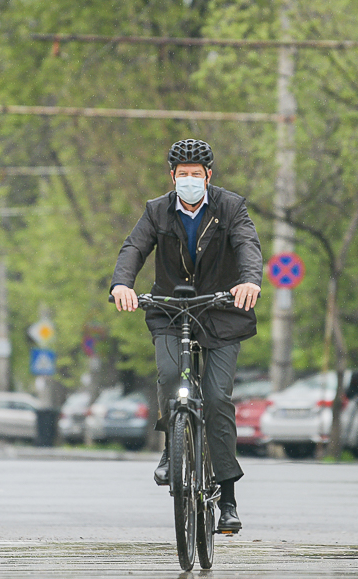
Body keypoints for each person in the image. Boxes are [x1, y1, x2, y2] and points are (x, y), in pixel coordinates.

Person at [110, 138, 262, 534]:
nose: (190, 180)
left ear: (209, 176)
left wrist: (249, 282)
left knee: (216, 398)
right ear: (172, 176)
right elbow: (133, 249)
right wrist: (121, 285)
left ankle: (227, 498)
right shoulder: (156, 210)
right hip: (170, 309)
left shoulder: (231, 207)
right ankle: (170, 448)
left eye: (197, 174)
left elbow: (248, 245)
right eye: (183, 175)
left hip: (222, 311)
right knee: (167, 376)